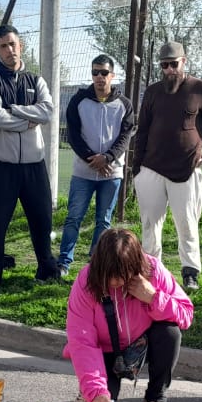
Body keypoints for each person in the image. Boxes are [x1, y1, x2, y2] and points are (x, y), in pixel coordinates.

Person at [64, 228, 194, 402]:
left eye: (121, 275)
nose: (115, 282)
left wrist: (153, 297)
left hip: (139, 348)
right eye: (109, 276)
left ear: (136, 265)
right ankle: (91, 389)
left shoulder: (153, 270)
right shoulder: (86, 282)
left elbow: (186, 315)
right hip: (104, 351)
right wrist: (98, 392)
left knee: (170, 332)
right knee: (106, 401)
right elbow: (82, 341)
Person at [132, 41, 202, 292]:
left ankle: (190, 272)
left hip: (186, 169)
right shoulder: (152, 92)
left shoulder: (200, 89)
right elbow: (142, 131)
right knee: (150, 223)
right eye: (164, 65)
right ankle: (152, 270)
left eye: (174, 64)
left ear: (184, 61)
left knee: (186, 223)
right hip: (151, 167)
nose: (169, 70)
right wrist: (136, 169)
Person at [0, 24, 60, 292]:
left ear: (20, 45)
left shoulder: (35, 80)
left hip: (34, 165)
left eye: (12, 44)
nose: (9, 50)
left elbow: (47, 112)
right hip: (1, 166)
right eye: (3, 46)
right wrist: (26, 121)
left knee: (42, 220)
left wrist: (14, 109)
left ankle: (47, 271)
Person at [58, 54, 137, 278]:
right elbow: (72, 135)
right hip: (83, 172)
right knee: (74, 217)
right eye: (95, 72)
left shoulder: (124, 104)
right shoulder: (78, 101)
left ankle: (96, 263)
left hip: (111, 173)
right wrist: (92, 159)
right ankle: (64, 263)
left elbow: (125, 137)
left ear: (112, 75)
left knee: (103, 220)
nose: (99, 77)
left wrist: (108, 158)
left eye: (104, 73)